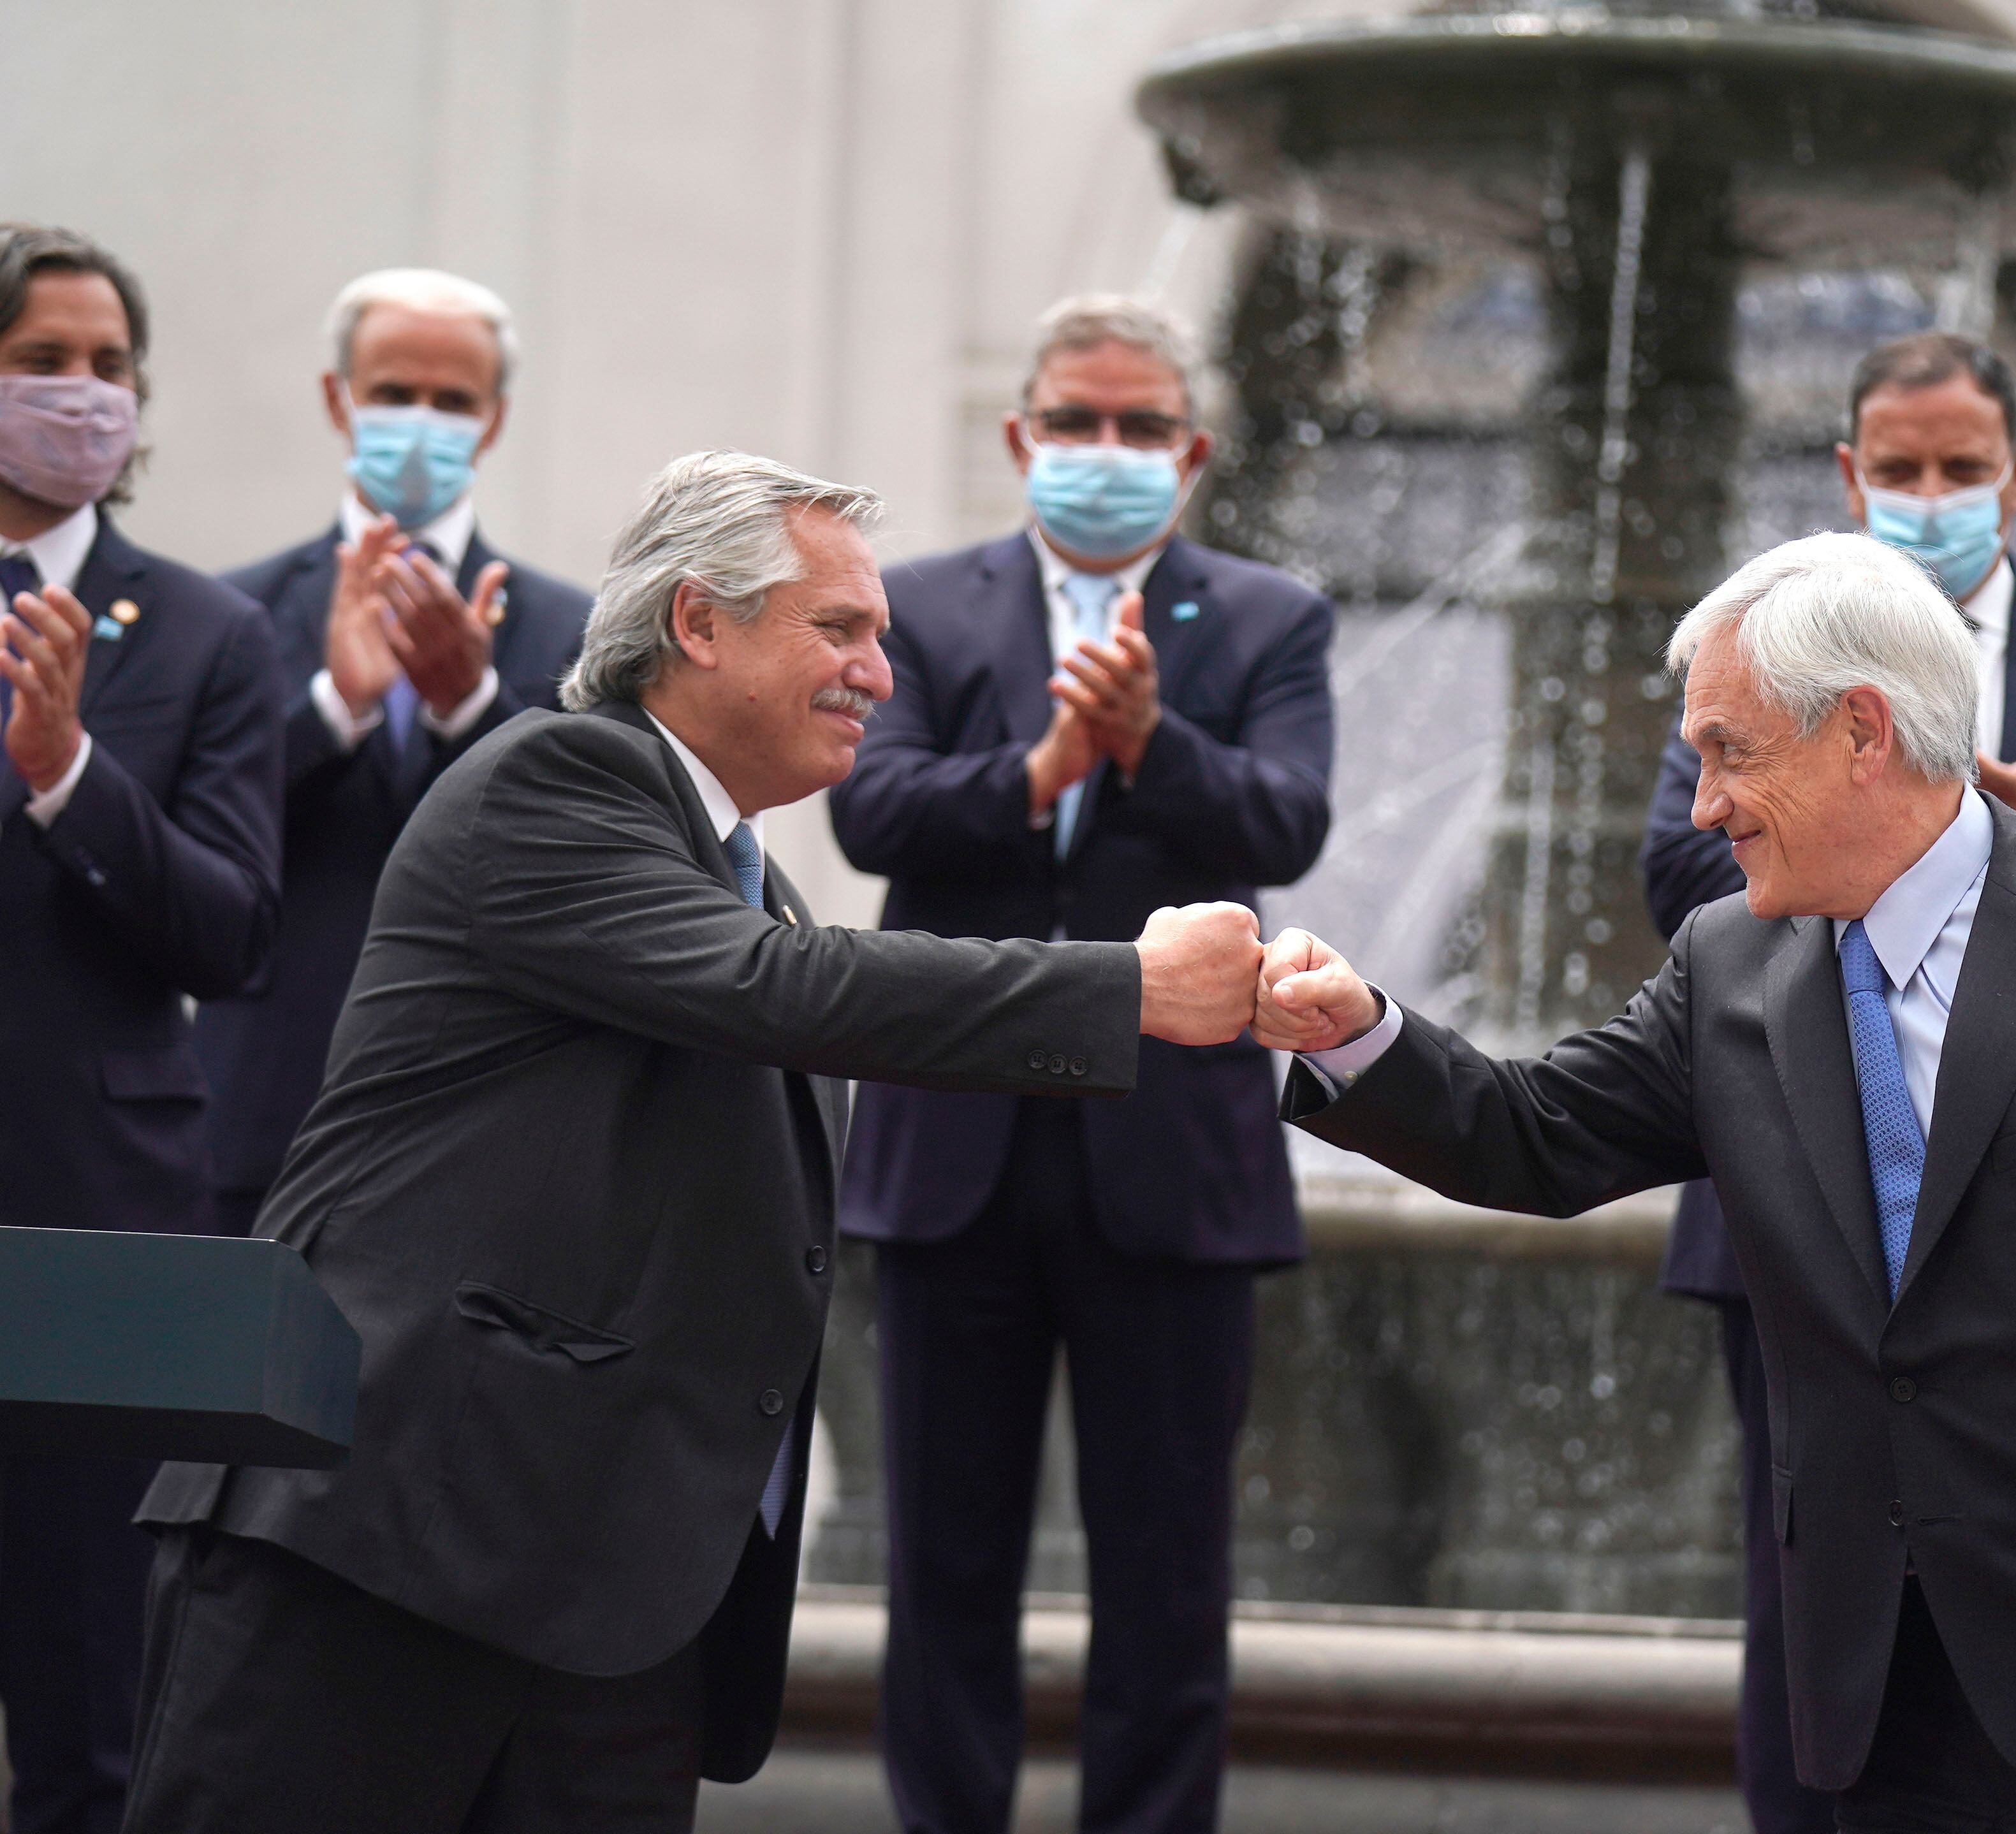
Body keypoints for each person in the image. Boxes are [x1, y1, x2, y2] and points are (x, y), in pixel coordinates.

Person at [122, 451, 1267, 1833]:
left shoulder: (744, 884)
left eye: (882, 640)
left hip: (603, 1603)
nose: (879, 675)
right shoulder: (559, 777)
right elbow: (783, 993)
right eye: (838, 629)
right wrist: (1128, 990)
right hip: (387, 1551)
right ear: (698, 621)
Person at [1254, 530, 2016, 1832]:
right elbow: (1533, 1131)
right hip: (1884, 1691)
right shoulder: (1730, 964)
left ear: (1862, 730)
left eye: (1730, 749)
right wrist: (1356, 1029)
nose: (1703, 805)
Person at [1638, 330, 2016, 1834]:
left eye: (1959, 468)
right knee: (1818, 1585)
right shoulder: (1756, 645)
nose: (1926, 493)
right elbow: (1678, 860)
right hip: (1797, 1223)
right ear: (1847, 474)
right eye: (1895, 469)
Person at [828, 294, 1333, 1834]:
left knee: (1168, 1578)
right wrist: (1041, 768)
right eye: (1074, 423)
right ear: (1019, 436)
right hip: (954, 1151)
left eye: (1136, 429)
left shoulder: (1266, 618)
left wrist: (1146, 746)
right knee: (944, 1570)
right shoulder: (916, 604)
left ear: (1190, 449)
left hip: (1170, 1162)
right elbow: (872, 815)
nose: (1102, 454)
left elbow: (1288, 820)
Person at [0, 222, 282, 1834]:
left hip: (92, 1221)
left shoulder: (199, 632)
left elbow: (232, 927)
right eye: (46, 357)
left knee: (95, 1716)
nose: (85, 393)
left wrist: (68, 775)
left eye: (111, 365)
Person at [193, 268, 592, 1239]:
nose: (422, 422)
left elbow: (584, 854)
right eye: (393, 394)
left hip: (491, 1119)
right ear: (339, 398)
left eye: (452, 401)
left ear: (494, 420)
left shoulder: (574, 631)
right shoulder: (229, 613)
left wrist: (471, 707)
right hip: (265, 1107)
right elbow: (201, 835)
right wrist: (337, 706)